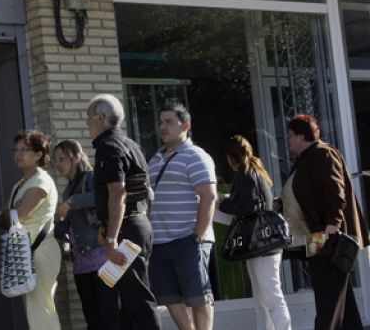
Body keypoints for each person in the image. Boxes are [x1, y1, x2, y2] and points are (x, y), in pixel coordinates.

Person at [282, 114, 368, 329]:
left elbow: (335, 191)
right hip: (316, 236)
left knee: (328, 298)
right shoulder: (306, 158)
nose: (288, 140)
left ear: (302, 136)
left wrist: (333, 224)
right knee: (337, 297)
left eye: (291, 135)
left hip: (327, 237)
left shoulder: (322, 154)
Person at [86, 94, 160, 329]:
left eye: (89, 119)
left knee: (138, 300)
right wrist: (106, 227)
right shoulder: (131, 144)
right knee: (130, 302)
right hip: (138, 224)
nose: (87, 124)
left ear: (101, 117)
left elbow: (118, 193)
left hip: (127, 229)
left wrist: (111, 239)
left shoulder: (108, 147)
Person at [148, 102, 217, 330]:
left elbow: (208, 196)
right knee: (169, 297)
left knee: (199, 296)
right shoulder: (154, 159)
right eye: (161, 122)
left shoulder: (195, 156)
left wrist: (197, 236)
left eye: (169, 122)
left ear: (185, 125)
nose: (163, 127)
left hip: (188, 239)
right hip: (159, 241)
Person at [217, 136, 291, 330]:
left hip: (259, 243)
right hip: (264, 240)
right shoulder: (257, 170)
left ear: (230, 158)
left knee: (270, 296)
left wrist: (223, 203)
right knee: (264, 296)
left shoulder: (245, 174)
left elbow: (245, 206)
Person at [53, 139, 120, 330]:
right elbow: (66, 226)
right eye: (56, 161)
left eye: (62, 159)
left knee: (108, 315)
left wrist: (73, 202)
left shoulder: (91, 178)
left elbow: (104, 198)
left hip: (101, 257)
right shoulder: (67, 190)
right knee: (92, 318)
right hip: (81, 263)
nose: (58, 164)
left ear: (76, 157)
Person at [2, 130, 61, 329]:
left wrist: (10, 213)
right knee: (33, 309)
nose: (18, 154)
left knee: (41, 309)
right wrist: (8, 214)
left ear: (38, 154)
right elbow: (5, 217)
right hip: (24, 252)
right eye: (16, 150)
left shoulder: (41, 181)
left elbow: (16, 216)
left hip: (41, 250)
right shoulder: (21, 184)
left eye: (24, 149)